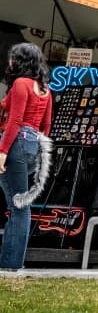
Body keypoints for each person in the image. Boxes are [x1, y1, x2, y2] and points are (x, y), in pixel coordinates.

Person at [0, 43, 54, 272]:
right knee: (18, 202)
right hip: (32, 145)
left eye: (13, 58)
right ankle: (10, 261)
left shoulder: (21, 84)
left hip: (16, 143)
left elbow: (14, 120)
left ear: (21, 60)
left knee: (19, 205)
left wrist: (2, 152)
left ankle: (11, 263)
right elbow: (46, 126)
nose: (10, 62)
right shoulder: (45, 89)